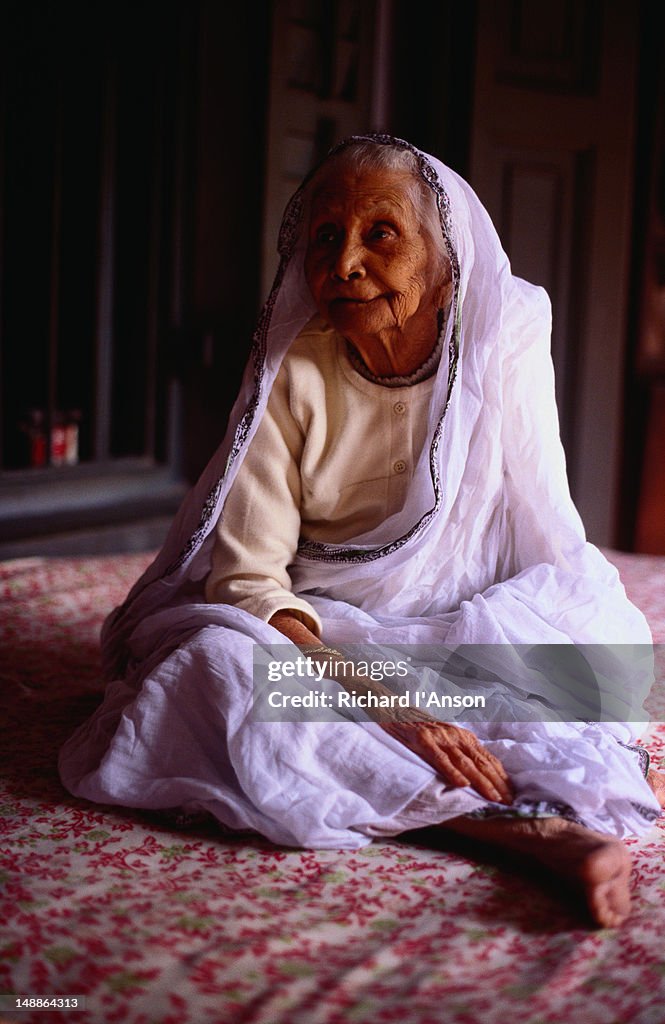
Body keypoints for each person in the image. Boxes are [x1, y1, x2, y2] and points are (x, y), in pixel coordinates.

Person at [59, 134, 664, 929]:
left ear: (445, 263)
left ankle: (482, 771)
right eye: (322, 236)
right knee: (204, 671)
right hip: (326, 646)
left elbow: (547, 534)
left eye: (380, 233)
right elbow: (248, 583)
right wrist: (392, 704)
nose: (343, 263)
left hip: (465, 627)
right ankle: (514, 829)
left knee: (603, 661)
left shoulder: (502, 334)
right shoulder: (294, 366)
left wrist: (597, 699)